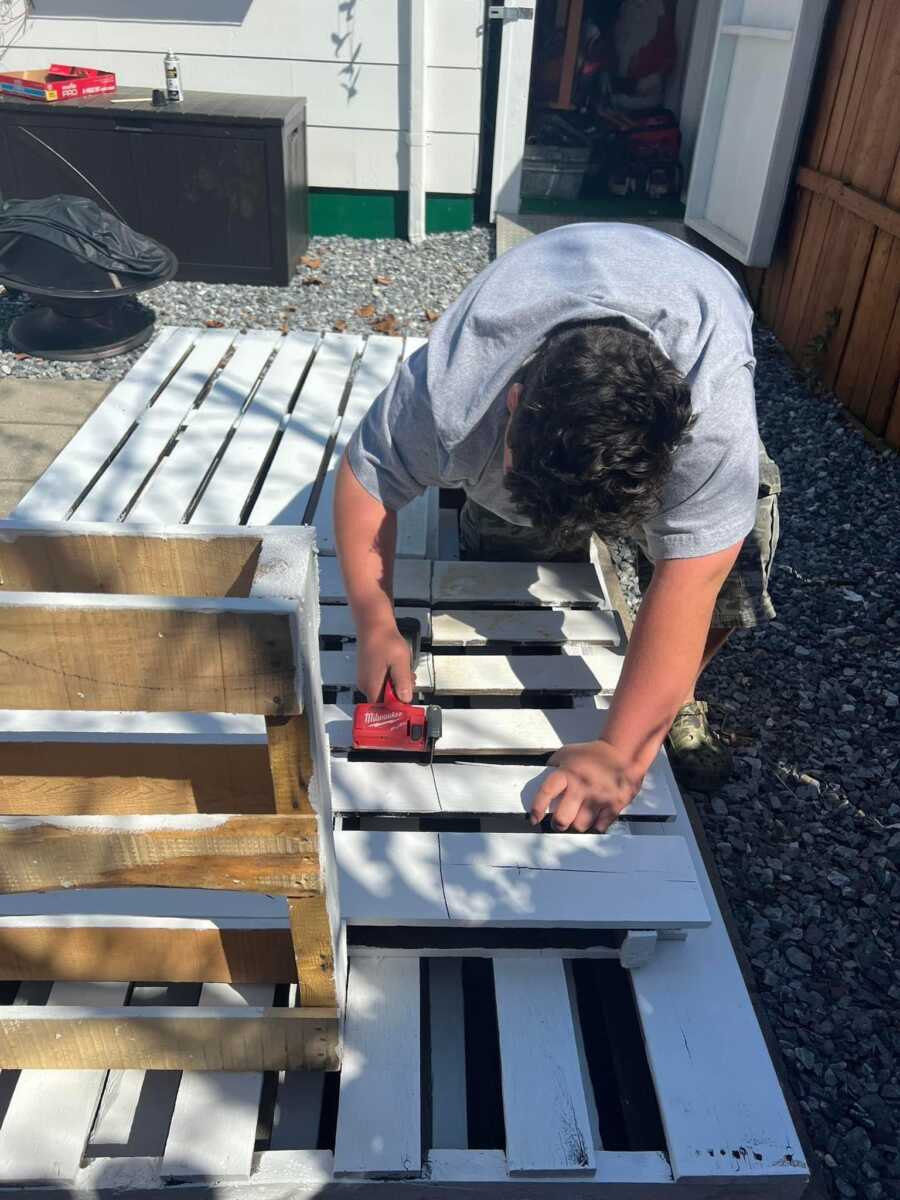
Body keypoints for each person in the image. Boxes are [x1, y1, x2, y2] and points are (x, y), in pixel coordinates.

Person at [334, 223, 781, 832]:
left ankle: (671, 696)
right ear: (513, 402)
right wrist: (374, 620)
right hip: (547, 306)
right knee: (505, 559)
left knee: (731, 588)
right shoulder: (452, 390)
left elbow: (693, 580)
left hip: (693, 303)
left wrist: (620, 756)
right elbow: (369, 479)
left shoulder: (714, 425)